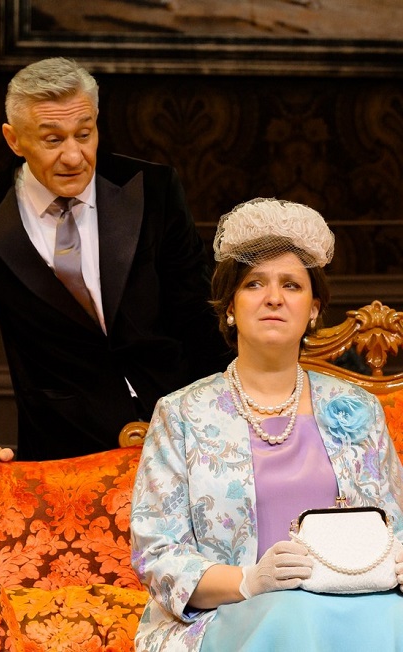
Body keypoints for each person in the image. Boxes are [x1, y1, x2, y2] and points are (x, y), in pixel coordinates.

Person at [130, 197, 403, 651]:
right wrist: (248, 579)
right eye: (254, 283)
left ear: (314, 308)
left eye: (291, 285)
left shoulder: (358, 407)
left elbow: (395, 525)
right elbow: (156, 553)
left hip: (358, 603)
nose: (274, 297)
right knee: (295, 615)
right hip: (227, 614)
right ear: (229, 307)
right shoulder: (181, 413)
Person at [0, 57, 228, 478]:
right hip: (62, 452)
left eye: (84, 134)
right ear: (14, 140)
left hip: (180, 435)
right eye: (52, 139)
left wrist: (227, 420)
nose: (73, 156)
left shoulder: (153, 188)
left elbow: (197, 315)